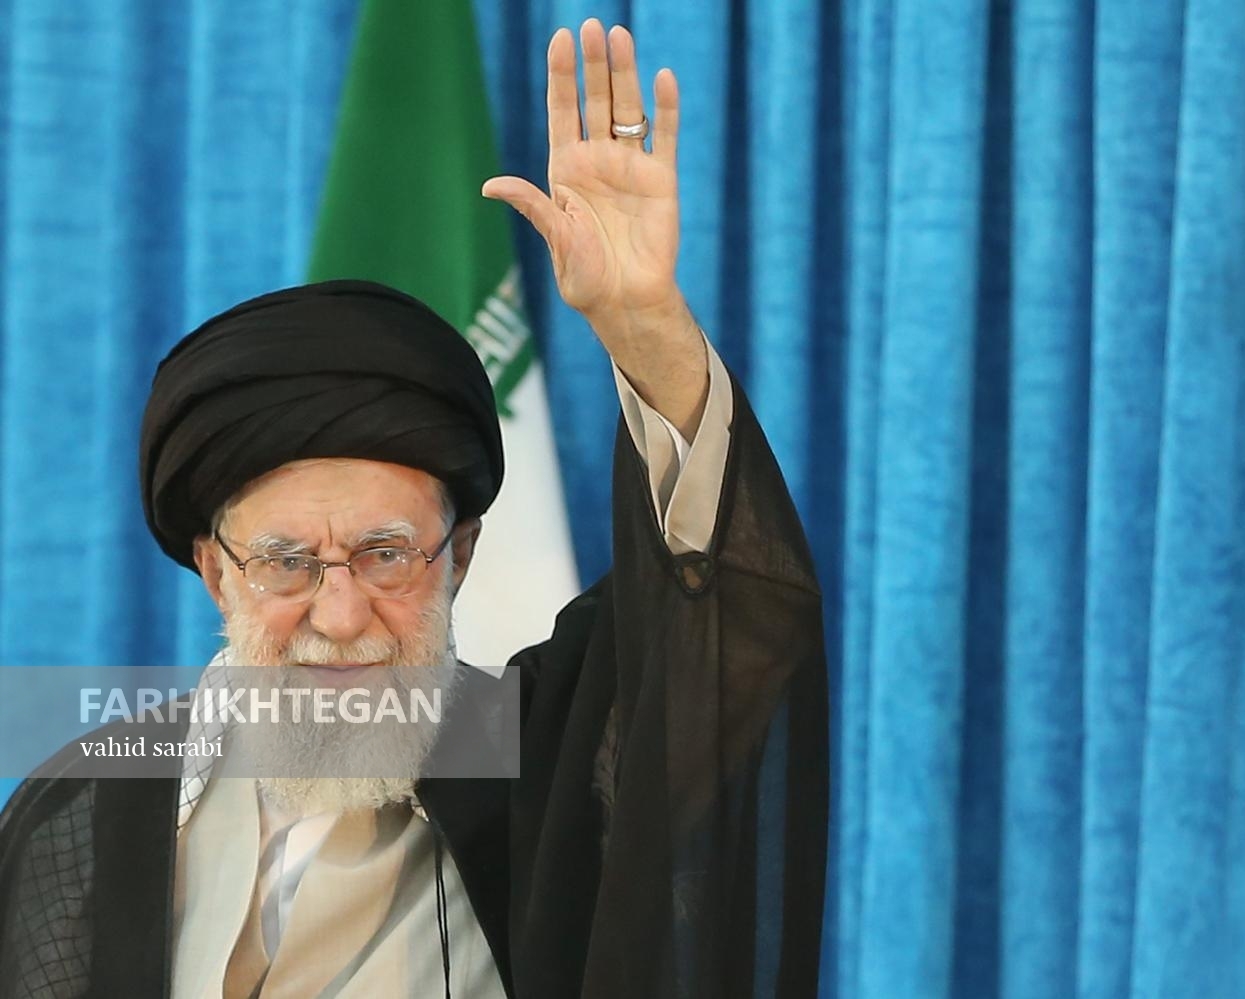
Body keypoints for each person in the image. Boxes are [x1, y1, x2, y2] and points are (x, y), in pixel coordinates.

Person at [0, 18, 827, 999]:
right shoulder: (88, 799)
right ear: (218, 570)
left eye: (386, 554)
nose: (342, 615)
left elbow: (730, 629)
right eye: (287, 561)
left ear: (460, 555)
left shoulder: (540, 763)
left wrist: (646, 328)